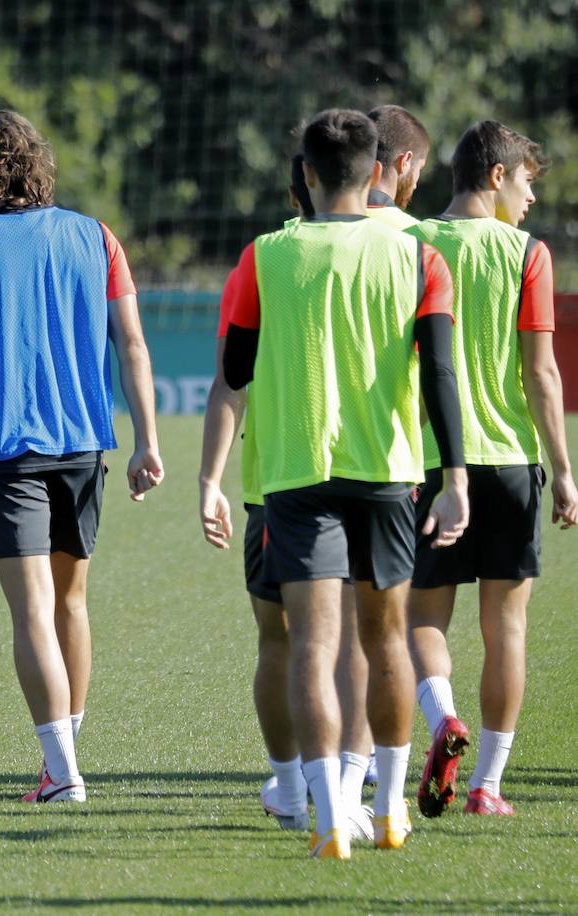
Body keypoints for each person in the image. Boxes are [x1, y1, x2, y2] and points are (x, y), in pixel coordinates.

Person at [223, 108, 468, 859]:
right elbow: (441, 375)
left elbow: (235, 373)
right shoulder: (421, 255)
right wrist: (453, 474)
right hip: (390, 473)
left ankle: (329, 813)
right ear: (379, 172)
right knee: (387, 635)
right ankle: (389, 810)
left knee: (312, 645)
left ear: (304, 173)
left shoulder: (264, 256)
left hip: (297, 475)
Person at [0, 110, 163, 804]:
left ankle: (61, 773)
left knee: (31, 611)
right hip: (85, 446)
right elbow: (134, 346)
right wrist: (148, 439)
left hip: (8, 450)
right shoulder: (97, 236)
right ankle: (64, 758)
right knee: (70, 604)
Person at [199, 154, 379, 841]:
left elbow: (228, 382)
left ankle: (292, 783)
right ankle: (344, 790)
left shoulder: (263, 260)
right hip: (366, 474)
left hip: (274, 482)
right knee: (353, 638)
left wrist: (209, 479)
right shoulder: (391, 250)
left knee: (283, 642)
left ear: (297, 186)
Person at [406, 120, 577, 818]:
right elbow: (541, 374)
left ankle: (444, 718)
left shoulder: (408, 243)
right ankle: (488, 785)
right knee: (506, 628)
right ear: (498, 176)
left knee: (422, 618)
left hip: (424, 461)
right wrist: (564, 469)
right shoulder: (526, 254)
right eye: (529, 181)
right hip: (510, 463)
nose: (533, 198)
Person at [364, 105, 431, 228]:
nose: (415, 185)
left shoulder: (325, 224)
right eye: (419, 169)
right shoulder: (416, 235)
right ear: (405, 161)